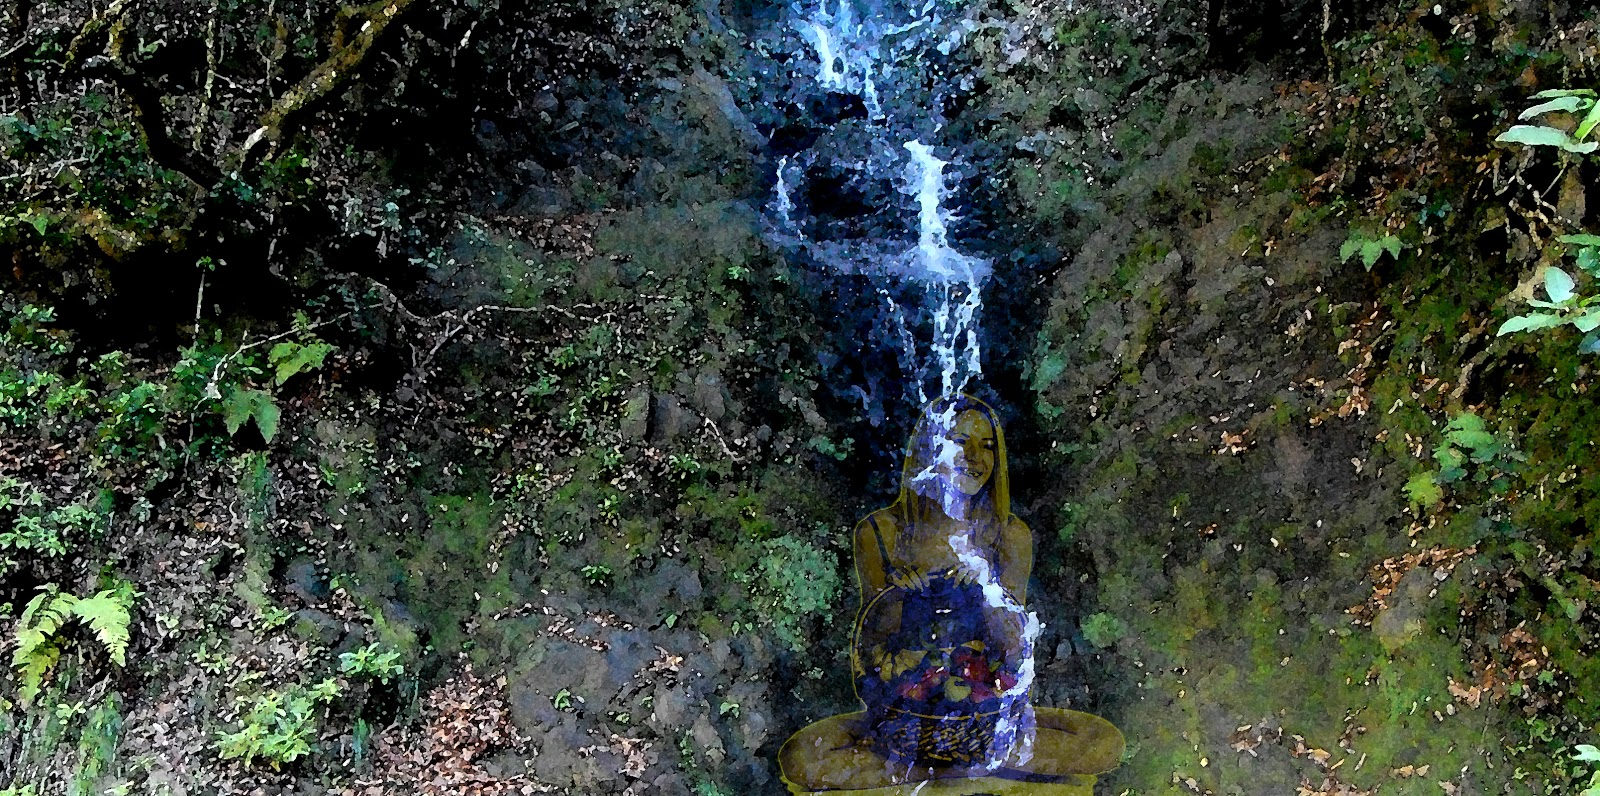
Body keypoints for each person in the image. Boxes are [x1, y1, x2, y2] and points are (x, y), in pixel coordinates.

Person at [778, 395, 1124, 795]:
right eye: (960, 442)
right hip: (904, 721)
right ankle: (966, 770)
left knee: (1103, 743)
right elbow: (873, 655)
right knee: (800, 757)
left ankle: (939, 770)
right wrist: (898, 595)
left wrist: (987, 591)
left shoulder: (1010, 535)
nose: (975, 458)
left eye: (987, 447)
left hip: (986, 719)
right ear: (927, 450)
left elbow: (1013, 652)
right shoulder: (881, 532)